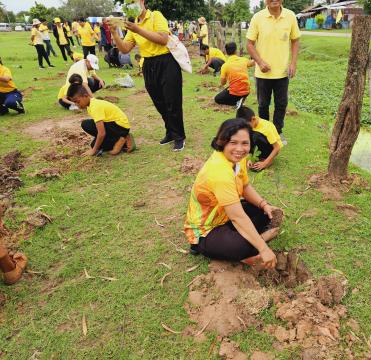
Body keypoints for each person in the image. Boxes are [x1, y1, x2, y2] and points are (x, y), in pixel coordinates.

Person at [184, 118, 282, 267]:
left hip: (225, 214)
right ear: (222, 142)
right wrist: (264, 248)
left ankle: (252, 241)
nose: (240, 149)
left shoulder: (238, 159)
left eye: (245, 143)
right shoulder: (220, 171)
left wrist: (263, 204)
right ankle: (247, 249)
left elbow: (245, 186)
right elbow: (237, 216)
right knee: (241, 246)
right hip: (207, 229)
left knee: (264, 212)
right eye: (233, 142)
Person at [109, 0, 186, 152]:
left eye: (134, 1)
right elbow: (124, 49)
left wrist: (138, 30)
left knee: (172, 101)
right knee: (159, 101)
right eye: (128, 3)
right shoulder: (132, 25)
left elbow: (163, 39)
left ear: (142, 1)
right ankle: (170, 131)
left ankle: (179, 136)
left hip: (166, 61)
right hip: (148, 65)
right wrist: (113, 33)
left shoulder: (156, 16)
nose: (131, 5)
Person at [246, 0, 301, 145]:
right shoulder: (258, 17)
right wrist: (260, 61)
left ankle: (277, 132)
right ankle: (264, 132)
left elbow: (295, 40)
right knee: (263, 104)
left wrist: (293, 63)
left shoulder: (290, 16)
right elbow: (249, 44)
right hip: (263, 73)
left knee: (281, 104)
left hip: (282, 72)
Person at [67, 83, 136, 156]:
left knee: (87, 126)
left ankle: (123, 138)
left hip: (120, 127)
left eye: (77, 102)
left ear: (85, 96)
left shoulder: (95, 107)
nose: (77, 105)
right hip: (115, 126)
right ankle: (121, 138)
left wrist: (93, 150)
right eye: (74, 103)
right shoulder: (91, 104)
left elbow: (102, 133)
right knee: (94, 143)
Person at [236, 106, 283, 171]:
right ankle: (255, 158)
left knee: (256, 135)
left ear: (253, 119)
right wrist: (249, 158)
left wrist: (265, 163)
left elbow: (277, 148)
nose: (246, 127)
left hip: (272, 148)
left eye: (247, 125)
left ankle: (266, 159)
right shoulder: (251, 125)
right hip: (258, 146)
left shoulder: (266, 127)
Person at [215, 42, 254, 106]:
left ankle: (236, 103)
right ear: (236, 51)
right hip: (246, 90)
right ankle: (241, 99)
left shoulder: (225, 66)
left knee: (217, 99)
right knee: (229, 88)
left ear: (226, 52)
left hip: (235, 92)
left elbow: (223, 83)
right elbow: (252, 63)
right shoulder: (244, 60)